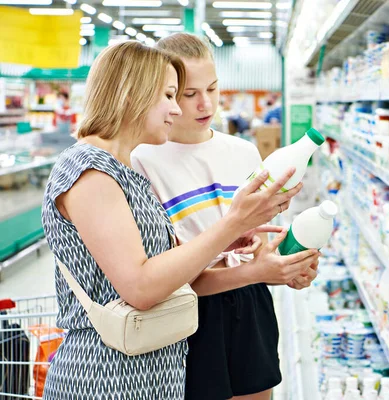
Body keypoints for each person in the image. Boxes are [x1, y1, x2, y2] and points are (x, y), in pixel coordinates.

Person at [41, 41, 318, 399]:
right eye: (172, 95)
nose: (177, 109)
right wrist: (232, 224)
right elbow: (141, 287)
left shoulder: (122, 171)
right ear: (133, 95)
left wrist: (242, 249)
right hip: (106, 377)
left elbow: (171, 266)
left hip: (148, 371)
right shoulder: (91, 173)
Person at [131, 33, 317, 400]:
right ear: (163, 92)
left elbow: (255, 248)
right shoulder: (142, 160)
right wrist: (254, 270)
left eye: (213, 89)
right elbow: (166, 279)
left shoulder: (243, 151)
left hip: (251, 303)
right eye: (188, 94)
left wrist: (282, 264)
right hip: (188, 314)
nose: (206, 104)